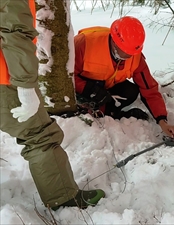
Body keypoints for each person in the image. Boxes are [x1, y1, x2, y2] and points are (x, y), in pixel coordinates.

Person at [0, 0, 105, 210]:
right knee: (40, 135)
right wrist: (25, 86)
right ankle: (64, 197)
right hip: (4, 78)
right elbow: (14, 30)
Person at [74, 16, 174, 138]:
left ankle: (107, 113)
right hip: (83, 88)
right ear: (114, 40)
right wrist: (89, 89)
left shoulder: (136, 57)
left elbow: (149, 89)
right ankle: (86, 111)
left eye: (131, 53)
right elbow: (67, 77)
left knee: (130, 91)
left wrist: (162, 121)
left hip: (107, 88)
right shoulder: (83, 44)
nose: (127, 56)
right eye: (123, 51)